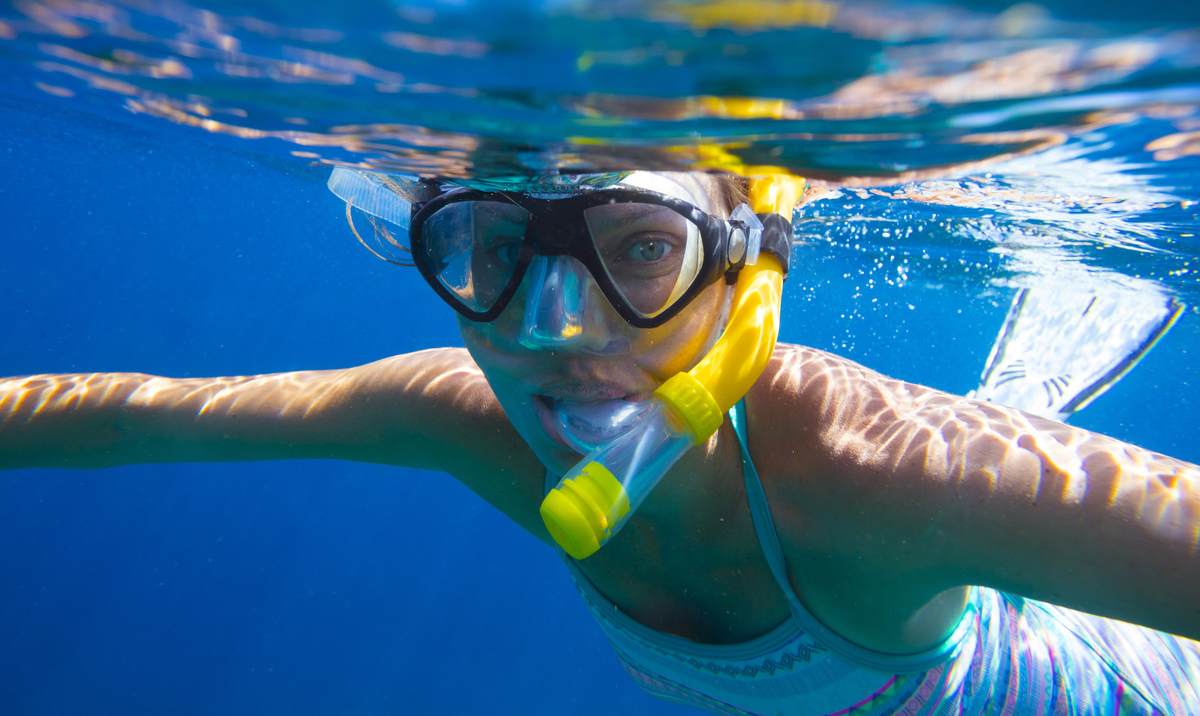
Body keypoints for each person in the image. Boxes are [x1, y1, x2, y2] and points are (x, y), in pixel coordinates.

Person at [2, 169, 1198, 716]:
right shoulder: (466, 420)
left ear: (747, 279)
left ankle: (1029, 401)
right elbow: (140, 410)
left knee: (997, 475)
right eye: (486, 243)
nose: (546, 328)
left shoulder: (862, 469)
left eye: (638, 248)